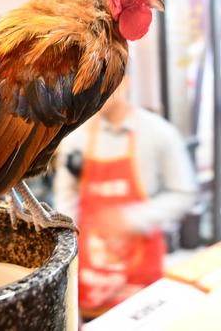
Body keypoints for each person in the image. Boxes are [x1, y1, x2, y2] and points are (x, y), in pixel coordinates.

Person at [53, 79, 198, 317]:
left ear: (125, 82)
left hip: (140, 276)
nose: (96, 94)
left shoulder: (158, 133)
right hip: (91, 273)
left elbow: (184, 193)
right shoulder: (74, 139)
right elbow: (66, 199)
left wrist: (131, 219)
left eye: (104, 83)